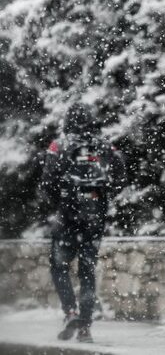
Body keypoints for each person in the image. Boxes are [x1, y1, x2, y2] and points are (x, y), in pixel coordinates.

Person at [40, 103, 127, 343]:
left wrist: (62, 199)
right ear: (90, 121)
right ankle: (86, 327)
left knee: (59, 267)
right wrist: (101, 195)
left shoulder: (59, 145)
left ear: (68, 121)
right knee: (87, 271)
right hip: (94, 216)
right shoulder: (104, 146)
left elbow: (47, 182)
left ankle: (70, 312)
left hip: (68, 215)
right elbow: (121, 175)